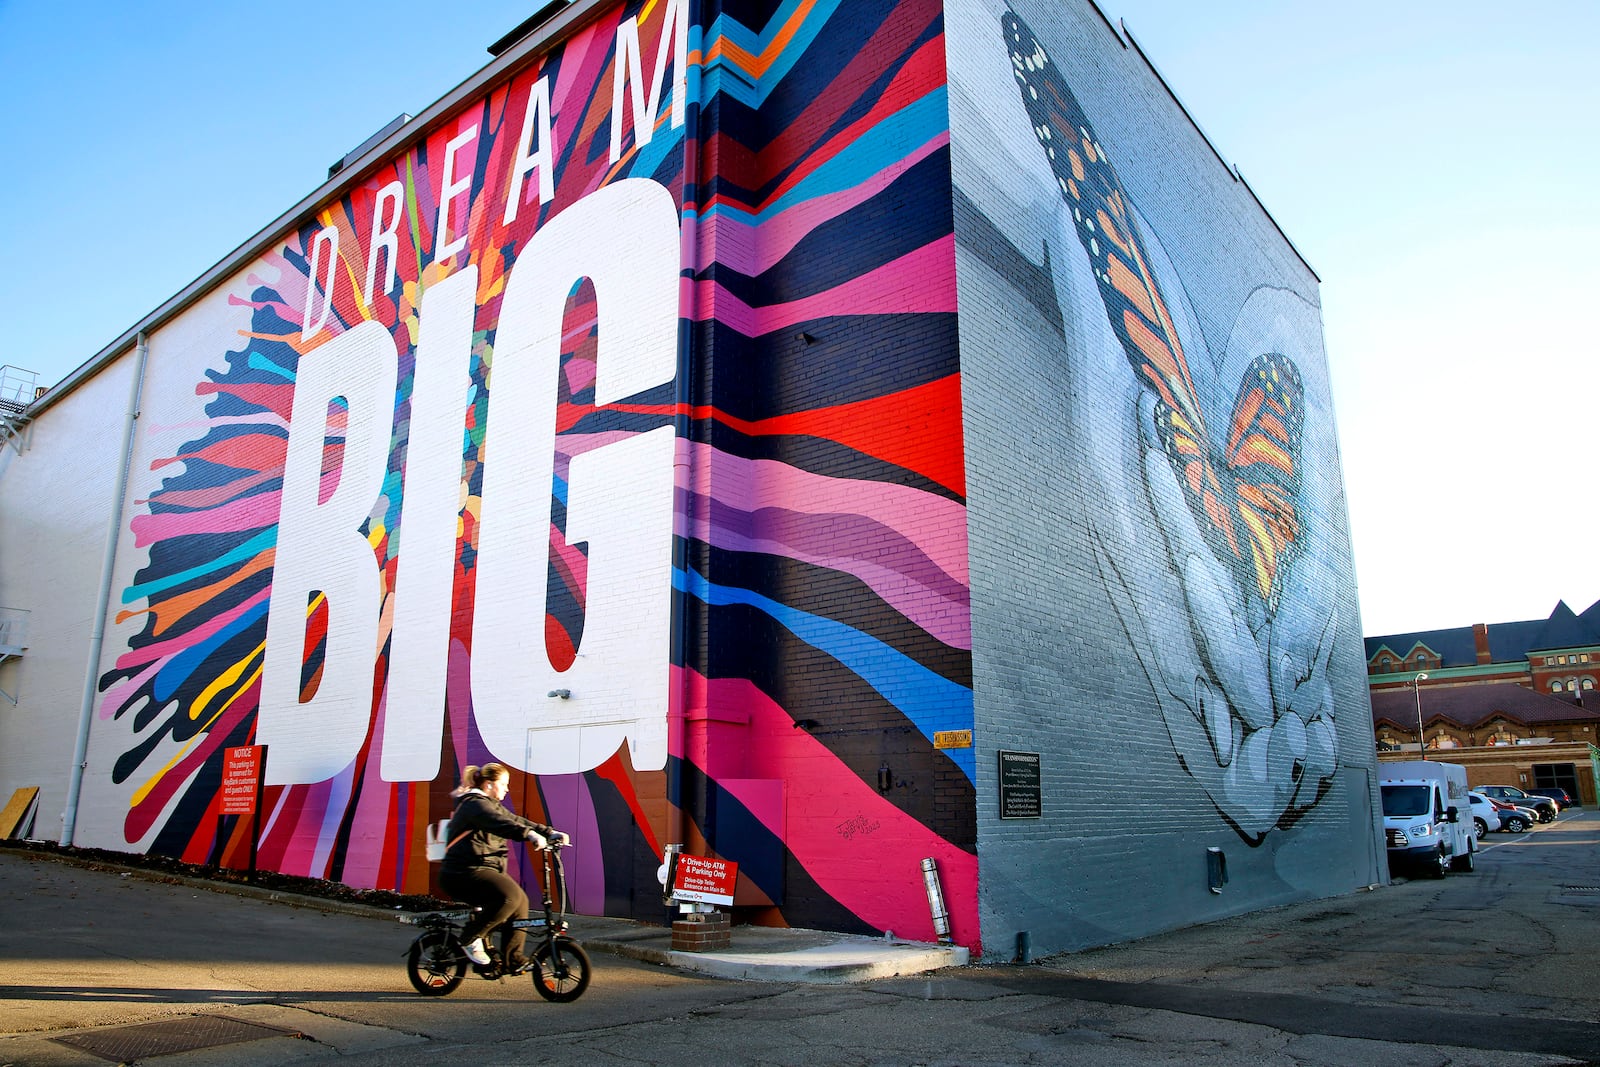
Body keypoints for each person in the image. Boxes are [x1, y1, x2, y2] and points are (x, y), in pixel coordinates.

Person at [438, 763, 569, 970]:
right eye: (504, 784)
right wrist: (529, 835)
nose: (507, 789)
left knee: (521, 902)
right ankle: (471, 937)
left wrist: (547, 831)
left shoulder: (491, 804)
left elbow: (515, 819)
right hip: (462, 872)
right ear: (489, 785)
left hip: (484, 869)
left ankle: (512, 959)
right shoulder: (475, 805)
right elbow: (500, 822)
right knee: (510, 897)